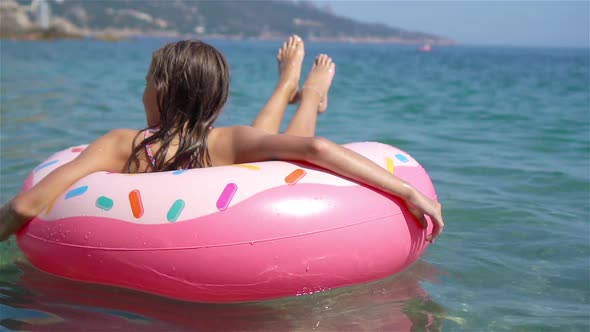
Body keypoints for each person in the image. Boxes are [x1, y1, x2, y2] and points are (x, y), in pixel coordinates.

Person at [0, 36, 443, 242]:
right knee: (267, 143)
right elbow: (316, 150)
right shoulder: (225, 143)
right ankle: (301, 93)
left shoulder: (120, 144)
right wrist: (405, 191)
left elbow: (25, 206)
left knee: (266, 142)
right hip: (233, 153)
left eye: (146, 82)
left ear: (159, 91)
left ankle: (299, 90)